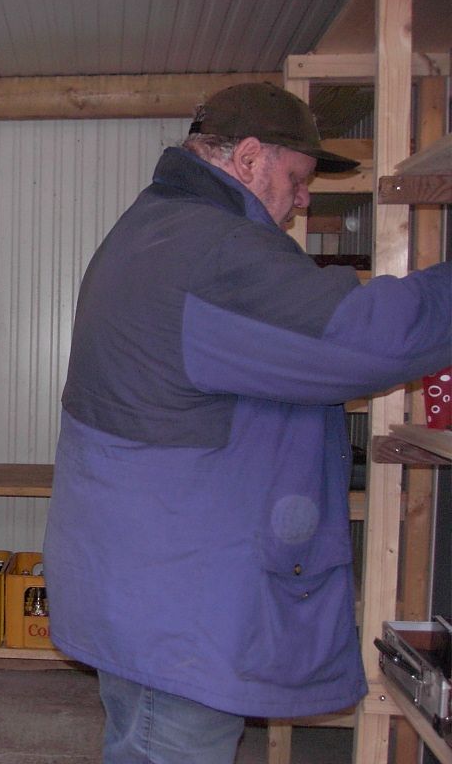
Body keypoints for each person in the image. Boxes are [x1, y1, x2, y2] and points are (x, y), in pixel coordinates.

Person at [42, 82, 452, 763]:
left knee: (144, 740)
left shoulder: (157, 225)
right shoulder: (212, 251)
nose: (303, 199)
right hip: (179, 603)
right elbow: (361, 337)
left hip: (146, 579)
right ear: (251, 157)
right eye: (297, 179)